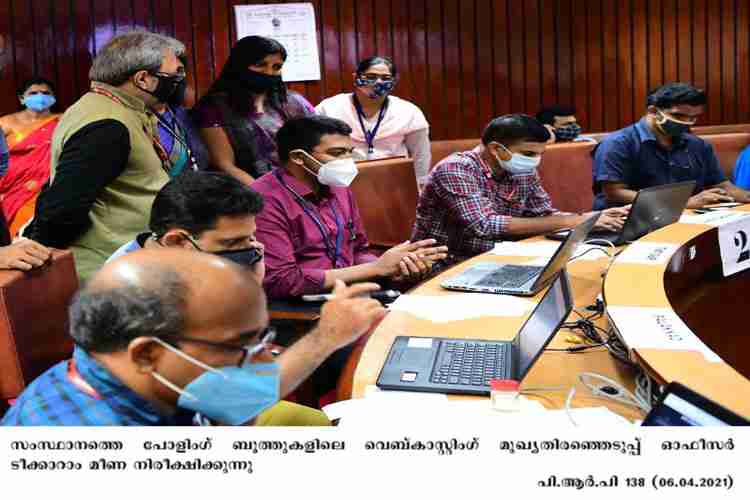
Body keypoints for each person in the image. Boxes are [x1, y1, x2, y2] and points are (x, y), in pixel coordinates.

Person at [1, 248, 386, 426]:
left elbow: (236, 398)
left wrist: (327, 336)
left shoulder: (123, 368)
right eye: (242, 346)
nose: (265, 359)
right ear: (147, 354)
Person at [24, 31, 187, 281]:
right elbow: (63, 208)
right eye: (175, 74)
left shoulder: (120, 108)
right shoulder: (107, 124)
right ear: (143, 79)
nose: (180, 80)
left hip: (129, 264)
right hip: (111, 269)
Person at [252, 115, 448, 300]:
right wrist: (376, 268)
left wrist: (397, 267)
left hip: (354, 291)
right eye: (337, 153)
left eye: (349, 153)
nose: (347, 161)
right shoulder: (264, 199)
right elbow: (281, 280)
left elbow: (358, 249)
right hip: (302, 306)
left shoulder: (339, 187)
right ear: (298, 157)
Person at [412, 114, 628, 264]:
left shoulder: (523, 170)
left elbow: (543, 215)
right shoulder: (456, 169)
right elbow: (485, 225)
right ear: (496, 148)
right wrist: (580, 221)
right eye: (529, 154)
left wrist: (593, 219)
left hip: (503, 255)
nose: (535, 161)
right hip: (446, 262)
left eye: (540, 154)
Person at [592, 82, 750, 209]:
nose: (686, 122)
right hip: (628, 222)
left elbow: (722, 184)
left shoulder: (698, 145)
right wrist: (682, 204)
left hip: (688, 219)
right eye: (678, 115)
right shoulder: (617, 143)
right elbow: (615, 193)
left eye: (693, 117)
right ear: (653, 111)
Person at [107, 171, 265, 284]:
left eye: (250, 238)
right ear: (176, 241)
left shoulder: (177, 263)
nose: (251, 252)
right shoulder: (131, 291)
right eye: (231, 242)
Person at [195, 36, 314, 185]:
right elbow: (224, 164)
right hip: (246, 190)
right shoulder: (214, 107)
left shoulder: (294, 102)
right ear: (240, 66)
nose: (269, 72)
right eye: (260, 64)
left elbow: (317, 144)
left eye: (276, 67)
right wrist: (266, 194)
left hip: (299, 183)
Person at [316, 56, 431, 188]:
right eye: (371, 76)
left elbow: (420, 154)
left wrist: (420, 185)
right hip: (344, 181)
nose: (378, 82)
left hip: (393, 180)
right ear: (355, 78)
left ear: (393, 82)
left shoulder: (410, 111)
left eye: (386, 78)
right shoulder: (329, 108)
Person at [0, 77, 61, 236]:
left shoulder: (63, 120)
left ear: (53, 98)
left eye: (46, 93)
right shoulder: (6, 122)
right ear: (22, 98)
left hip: (45, 186)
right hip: (10, 185)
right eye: (33, 93)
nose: (40, 96)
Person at [152, 56, 209, 176]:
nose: (180, 78)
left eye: (182, 72)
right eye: (174, 73)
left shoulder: (183, 114)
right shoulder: (136, 117)